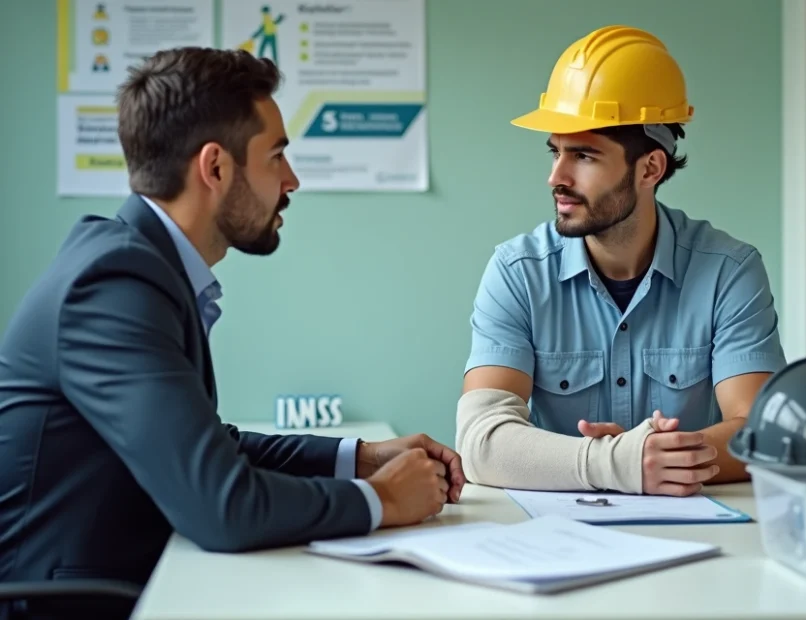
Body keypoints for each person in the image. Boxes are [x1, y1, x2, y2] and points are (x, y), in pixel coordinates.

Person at [0, 47, 464, 618]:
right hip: (69, 603)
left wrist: (359, 457)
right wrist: (382, 500)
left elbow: (210, 448)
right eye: (276, 157)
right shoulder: (113, 285)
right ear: (216, 167)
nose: (291, 180)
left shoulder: (138, 265)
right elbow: (221, 506)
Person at [455, 25, 786, 497]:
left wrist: (650, 461)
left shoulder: (728, 272)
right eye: (555, 152)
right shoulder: (517, 273)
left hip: (701, 540)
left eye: (584, 155)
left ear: (650, 168)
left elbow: (763, 436)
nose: (556, 177)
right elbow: (480, 442)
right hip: (558, 545)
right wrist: (620, 462)